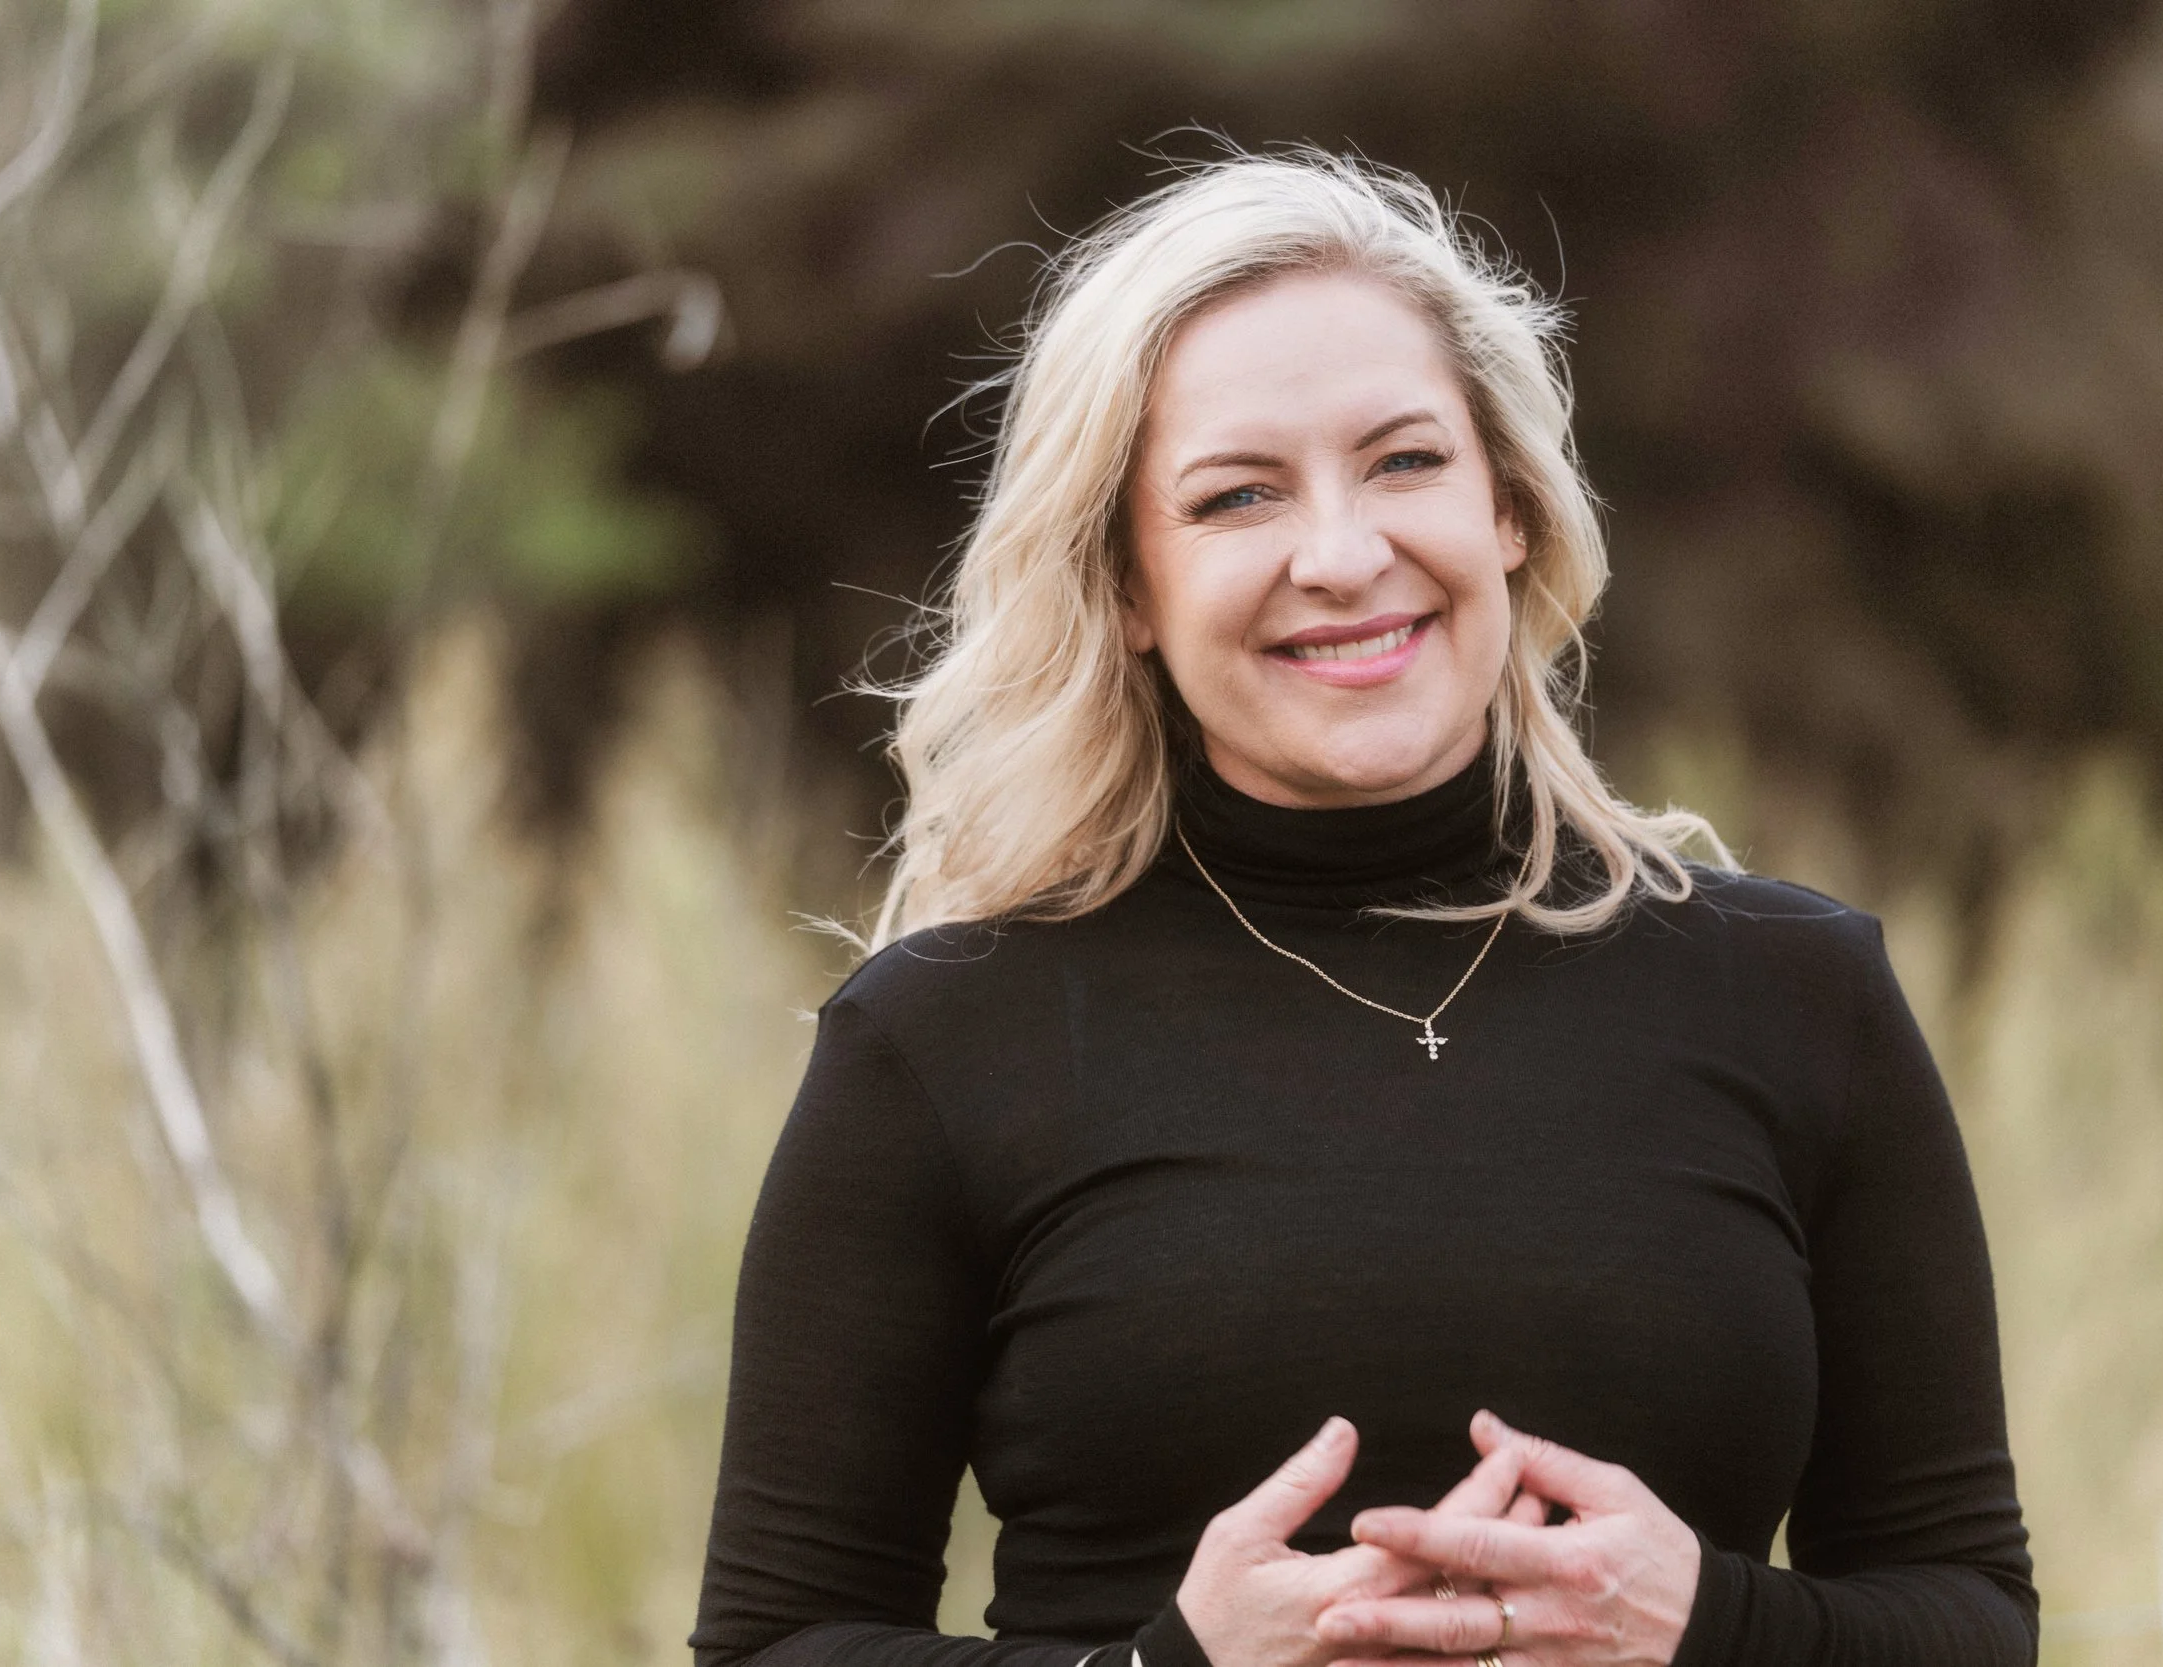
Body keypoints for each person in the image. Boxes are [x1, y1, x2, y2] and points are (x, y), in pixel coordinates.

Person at [690, 150, 2036, 1667]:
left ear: (1513, 506)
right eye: (1236, 496)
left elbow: (1971, 1613)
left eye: (1404, 462)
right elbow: (775, 1646)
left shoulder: (1798, 990)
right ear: (1128, 586)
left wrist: (1711, 1624)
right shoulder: (945, 1039)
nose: (1340, 556)